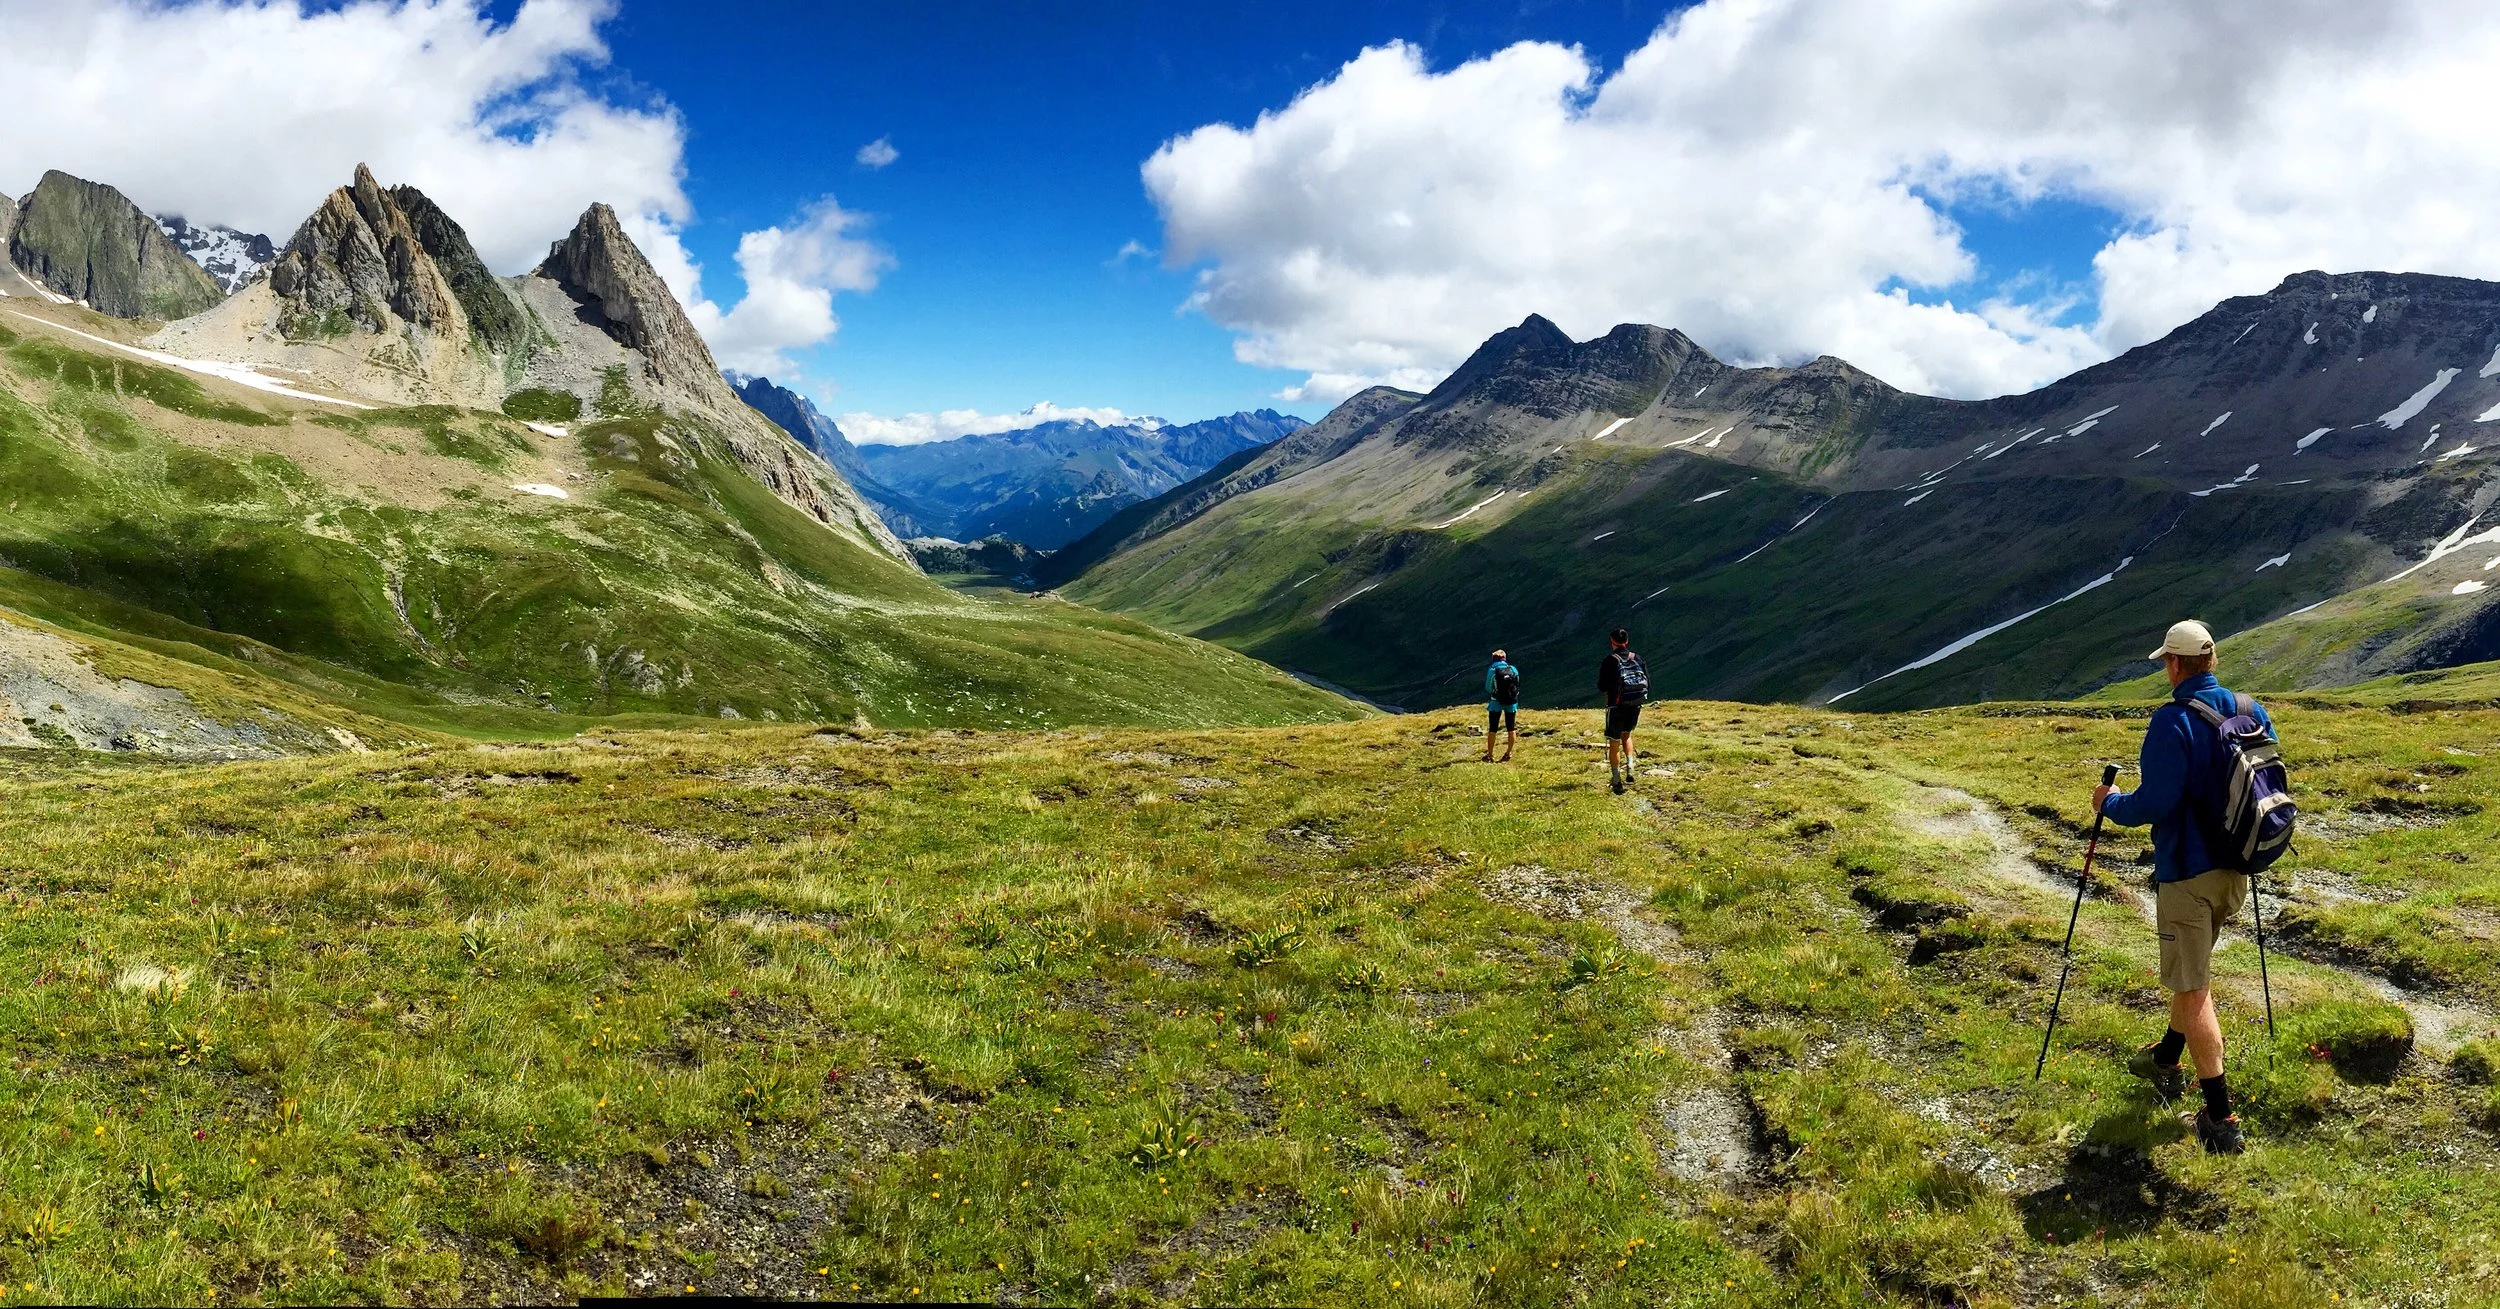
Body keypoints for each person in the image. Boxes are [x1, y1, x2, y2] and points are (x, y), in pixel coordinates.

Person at [2092, 619, 2274, 1156]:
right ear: (2210, 661)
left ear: (2174, 663)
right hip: (2237, 872)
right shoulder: (2250, 709)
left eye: (2164, 663)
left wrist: (2109, 803)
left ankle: (2221, 1118)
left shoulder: (2171, 721)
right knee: (2189, 972)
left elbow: (2155, 804)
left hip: (2187, 878)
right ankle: (2166, 1057)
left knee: (2194, 990)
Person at [1595, 627, 1648, 793]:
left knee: (1614, 741)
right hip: (1635, 703)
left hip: (1616, 705)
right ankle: (1630, 766)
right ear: (1626, 642)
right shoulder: (1637, 658)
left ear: (1612, 642)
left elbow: (1602, 686)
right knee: (1627, 735)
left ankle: (1616, 778)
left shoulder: (1610, 661)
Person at [1484, 649, 1521, 762]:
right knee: (1511, 727)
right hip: (1511, 702)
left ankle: (1490, 755)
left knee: (1493, 728)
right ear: (1504, 658)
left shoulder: (1492, 670)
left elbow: (1488, 687)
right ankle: (1508, 753)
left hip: (1496, 702)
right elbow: (1517, 683)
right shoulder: (1512, 669)